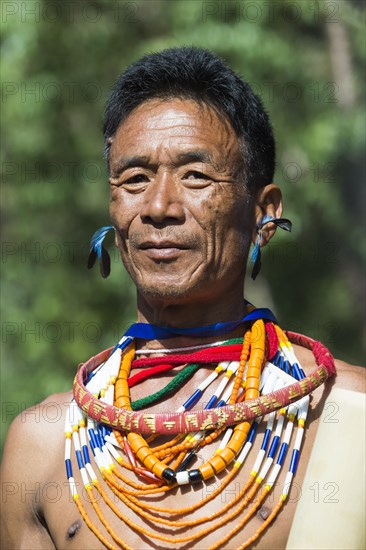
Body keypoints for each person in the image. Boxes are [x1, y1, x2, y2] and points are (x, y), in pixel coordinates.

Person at [1, 46, 364, 550]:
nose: (158, 206)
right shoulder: (43, 444)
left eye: (195, 176)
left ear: (263, 214)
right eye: (134, 179)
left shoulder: (343, 412)